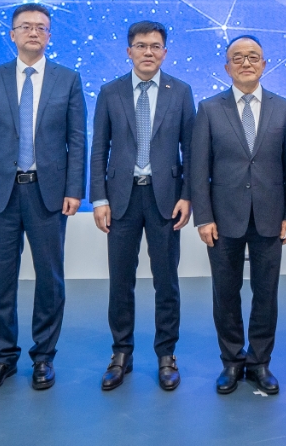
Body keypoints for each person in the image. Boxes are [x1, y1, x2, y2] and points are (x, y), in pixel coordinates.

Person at [0, 3, 85, 392]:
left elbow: (77, 140)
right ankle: (3, 356)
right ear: (12, 34)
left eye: (41, 27)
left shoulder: (68, 79)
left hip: (47, 193)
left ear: (49, 35)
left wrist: (74, 189)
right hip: (2, 193)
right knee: (3, 278)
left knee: (50, 278)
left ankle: (44, 356)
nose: (33, 32)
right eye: (25, 26)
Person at [189, 35, 286, 396]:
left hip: (271, 217)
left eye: (253, 57)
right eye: (238, 58)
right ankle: (232, 361)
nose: (246, 63)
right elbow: (198, 168)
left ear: (264, 64)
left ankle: (260, 362)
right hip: (223, 219)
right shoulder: (209, 109)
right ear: (227, 67)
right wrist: (203, 217)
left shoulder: (284, 108)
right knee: (226, 292)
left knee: (266, 293)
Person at [90, 21, 194, 392]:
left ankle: (166, 355)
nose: (148, 52)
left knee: (167, 281)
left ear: (164, 52)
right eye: (140, 45)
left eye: (154, 46)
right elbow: (98, 148)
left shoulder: (180, 92)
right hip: (122, 199)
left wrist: (187, 195)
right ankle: (121, 353)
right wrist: (99, 198)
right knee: (121, 280)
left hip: (165, 199)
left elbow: (191, 150)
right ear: (129, 51)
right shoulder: (110, 92)